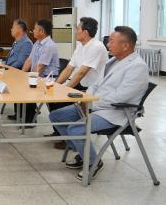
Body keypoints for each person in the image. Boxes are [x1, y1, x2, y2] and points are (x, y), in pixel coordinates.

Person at [50, 26, 148, 180]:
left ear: (125, 45)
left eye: (111, 41)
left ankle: (92, 162)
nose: (108, 44)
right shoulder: (113, 61)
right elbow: (94, 84)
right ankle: (84, 154)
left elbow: (120, 98)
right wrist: (86, 99)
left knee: (76, 129)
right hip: (95, 105)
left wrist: (90, 104)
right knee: (56, 116)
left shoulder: (138, 67)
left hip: (115, 113)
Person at [47, 17, 109, 148]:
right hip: (84, 84)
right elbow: (69, 68)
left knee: (60, 102)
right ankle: (59, 132)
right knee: (52, 98)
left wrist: (64, 91)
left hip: (94, 88)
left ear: (85, 32)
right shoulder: (81, 46)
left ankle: (68, 139)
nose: (75, 32)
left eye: (77, 29)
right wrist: (56, 86)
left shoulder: (96, 47)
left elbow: (81, 72)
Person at [0, 19, 33, 113]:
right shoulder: (16, 42)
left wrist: (6, 69)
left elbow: (20, 62)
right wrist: (2, 66)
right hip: (9, 70)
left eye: (13, 27)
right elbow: (9, 59)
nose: (11, 29)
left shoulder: (26, 43)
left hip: (17, 73)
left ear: (19, 30)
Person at [21, 19, 59, 124]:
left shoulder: (49, 45)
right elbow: (29, 60)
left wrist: (30, 78)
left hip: (48, 79)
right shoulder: (37, 43)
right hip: (38, 76)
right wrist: (21, 74)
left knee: (28, 88)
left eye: (35, 29)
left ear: (41, 31)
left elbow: (41, 66)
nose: (33, 31)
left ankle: (30, 120)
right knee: (23, 85)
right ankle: (26, 118)